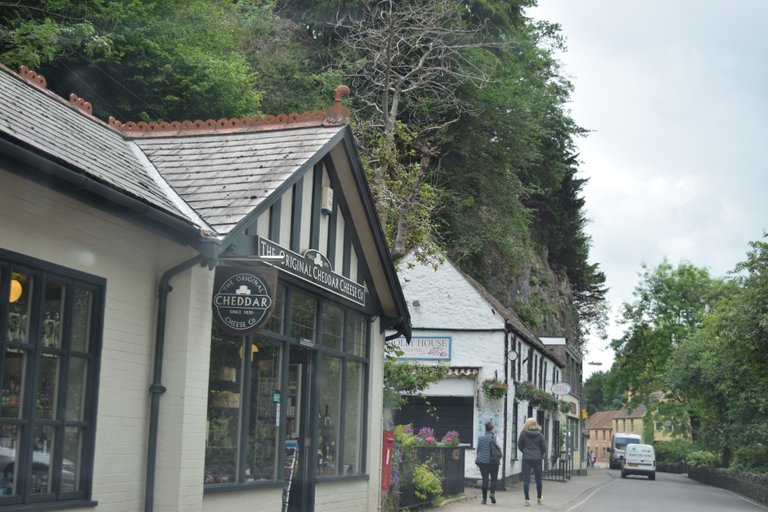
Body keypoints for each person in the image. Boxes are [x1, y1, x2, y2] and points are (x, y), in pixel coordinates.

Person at [518, 417, 547, 506]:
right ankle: (539, 498)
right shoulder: (540, 435)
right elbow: (544, 448)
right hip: (537, 459)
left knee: (526, 479)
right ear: (536, 424)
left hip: (527, 458)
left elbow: (519, 445)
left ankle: (527, 500)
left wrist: (525, 451)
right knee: (538, 479)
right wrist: (539, 453)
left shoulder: (523, 433)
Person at [475, 420, 501, 505]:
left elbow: (478, 449)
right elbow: (499, 449)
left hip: (482, 462)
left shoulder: (480, 438)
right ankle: (492, 494)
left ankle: (484, 499)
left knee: (485, 480)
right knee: (493, 479)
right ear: (492, 429)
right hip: (493, 461)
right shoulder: (495, 438)